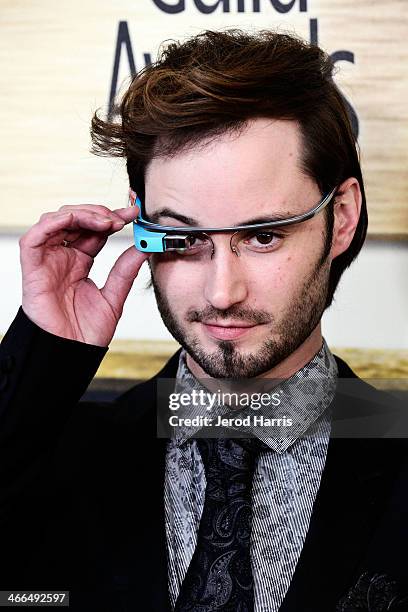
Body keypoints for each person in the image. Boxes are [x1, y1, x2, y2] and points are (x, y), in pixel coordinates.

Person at [0, 29, 407, 612]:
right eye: (184, 237)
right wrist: (43, 357)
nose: (222, 292)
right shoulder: (54, 448)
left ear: (340, 217)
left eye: (264, 236)